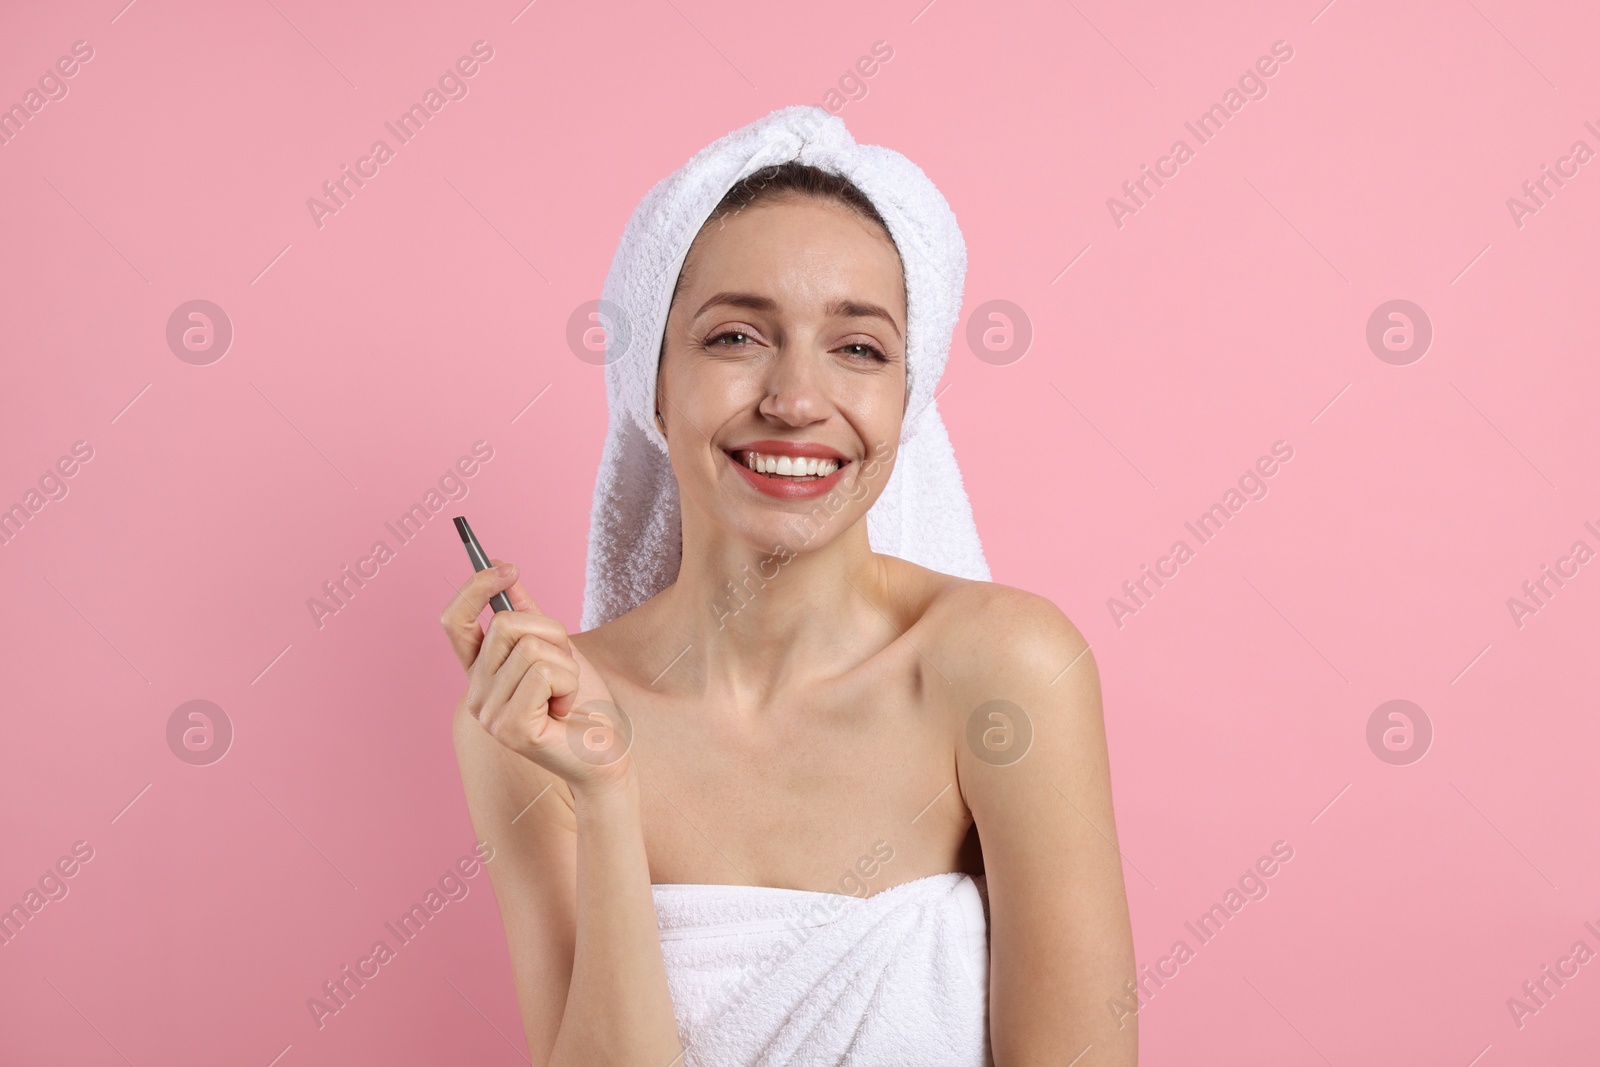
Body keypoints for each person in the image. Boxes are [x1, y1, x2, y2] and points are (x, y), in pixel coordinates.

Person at [440, 106, 1136, 1066]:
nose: (797, 401)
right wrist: (604, 795)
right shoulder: (539, 721)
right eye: (736, 337)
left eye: (857, 348)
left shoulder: (1005, 670)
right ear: (653, 379)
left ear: (908, 393)